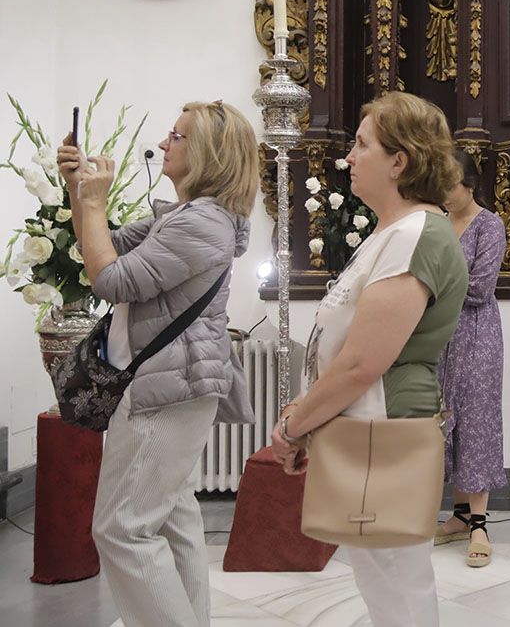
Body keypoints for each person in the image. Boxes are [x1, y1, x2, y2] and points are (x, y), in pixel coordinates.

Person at [269, 91, 467, 627]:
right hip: (364, 422)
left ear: (399, 160)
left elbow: (364, 362)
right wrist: (311, 416)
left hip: (384, 424)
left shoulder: (415, 233)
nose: (349, 157)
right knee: (382, 580)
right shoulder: (393, 231)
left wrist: (295, 423)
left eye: (362, 145)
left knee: (397, 583)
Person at [57, 100, 258, 627]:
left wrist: (95, 202)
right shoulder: (188, 217)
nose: (165, 143)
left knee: (122, 530)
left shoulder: (202, 224)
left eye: (177, 135)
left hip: (168, 389)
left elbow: (112, 280)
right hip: (172, 383)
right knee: (172, 519)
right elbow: (103, 247)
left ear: (209, 153)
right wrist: (81, 193)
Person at [434, 149, 508, 568]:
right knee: (445, 419)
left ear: (469, 185)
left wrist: (433, 287)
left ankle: (480, 522)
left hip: (477, 335)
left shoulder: (489, 224)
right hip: (440, 334)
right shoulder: (439, 224)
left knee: (476, 418)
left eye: (450, 185)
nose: (443, 193)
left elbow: (479, 287)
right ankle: (460, 516)